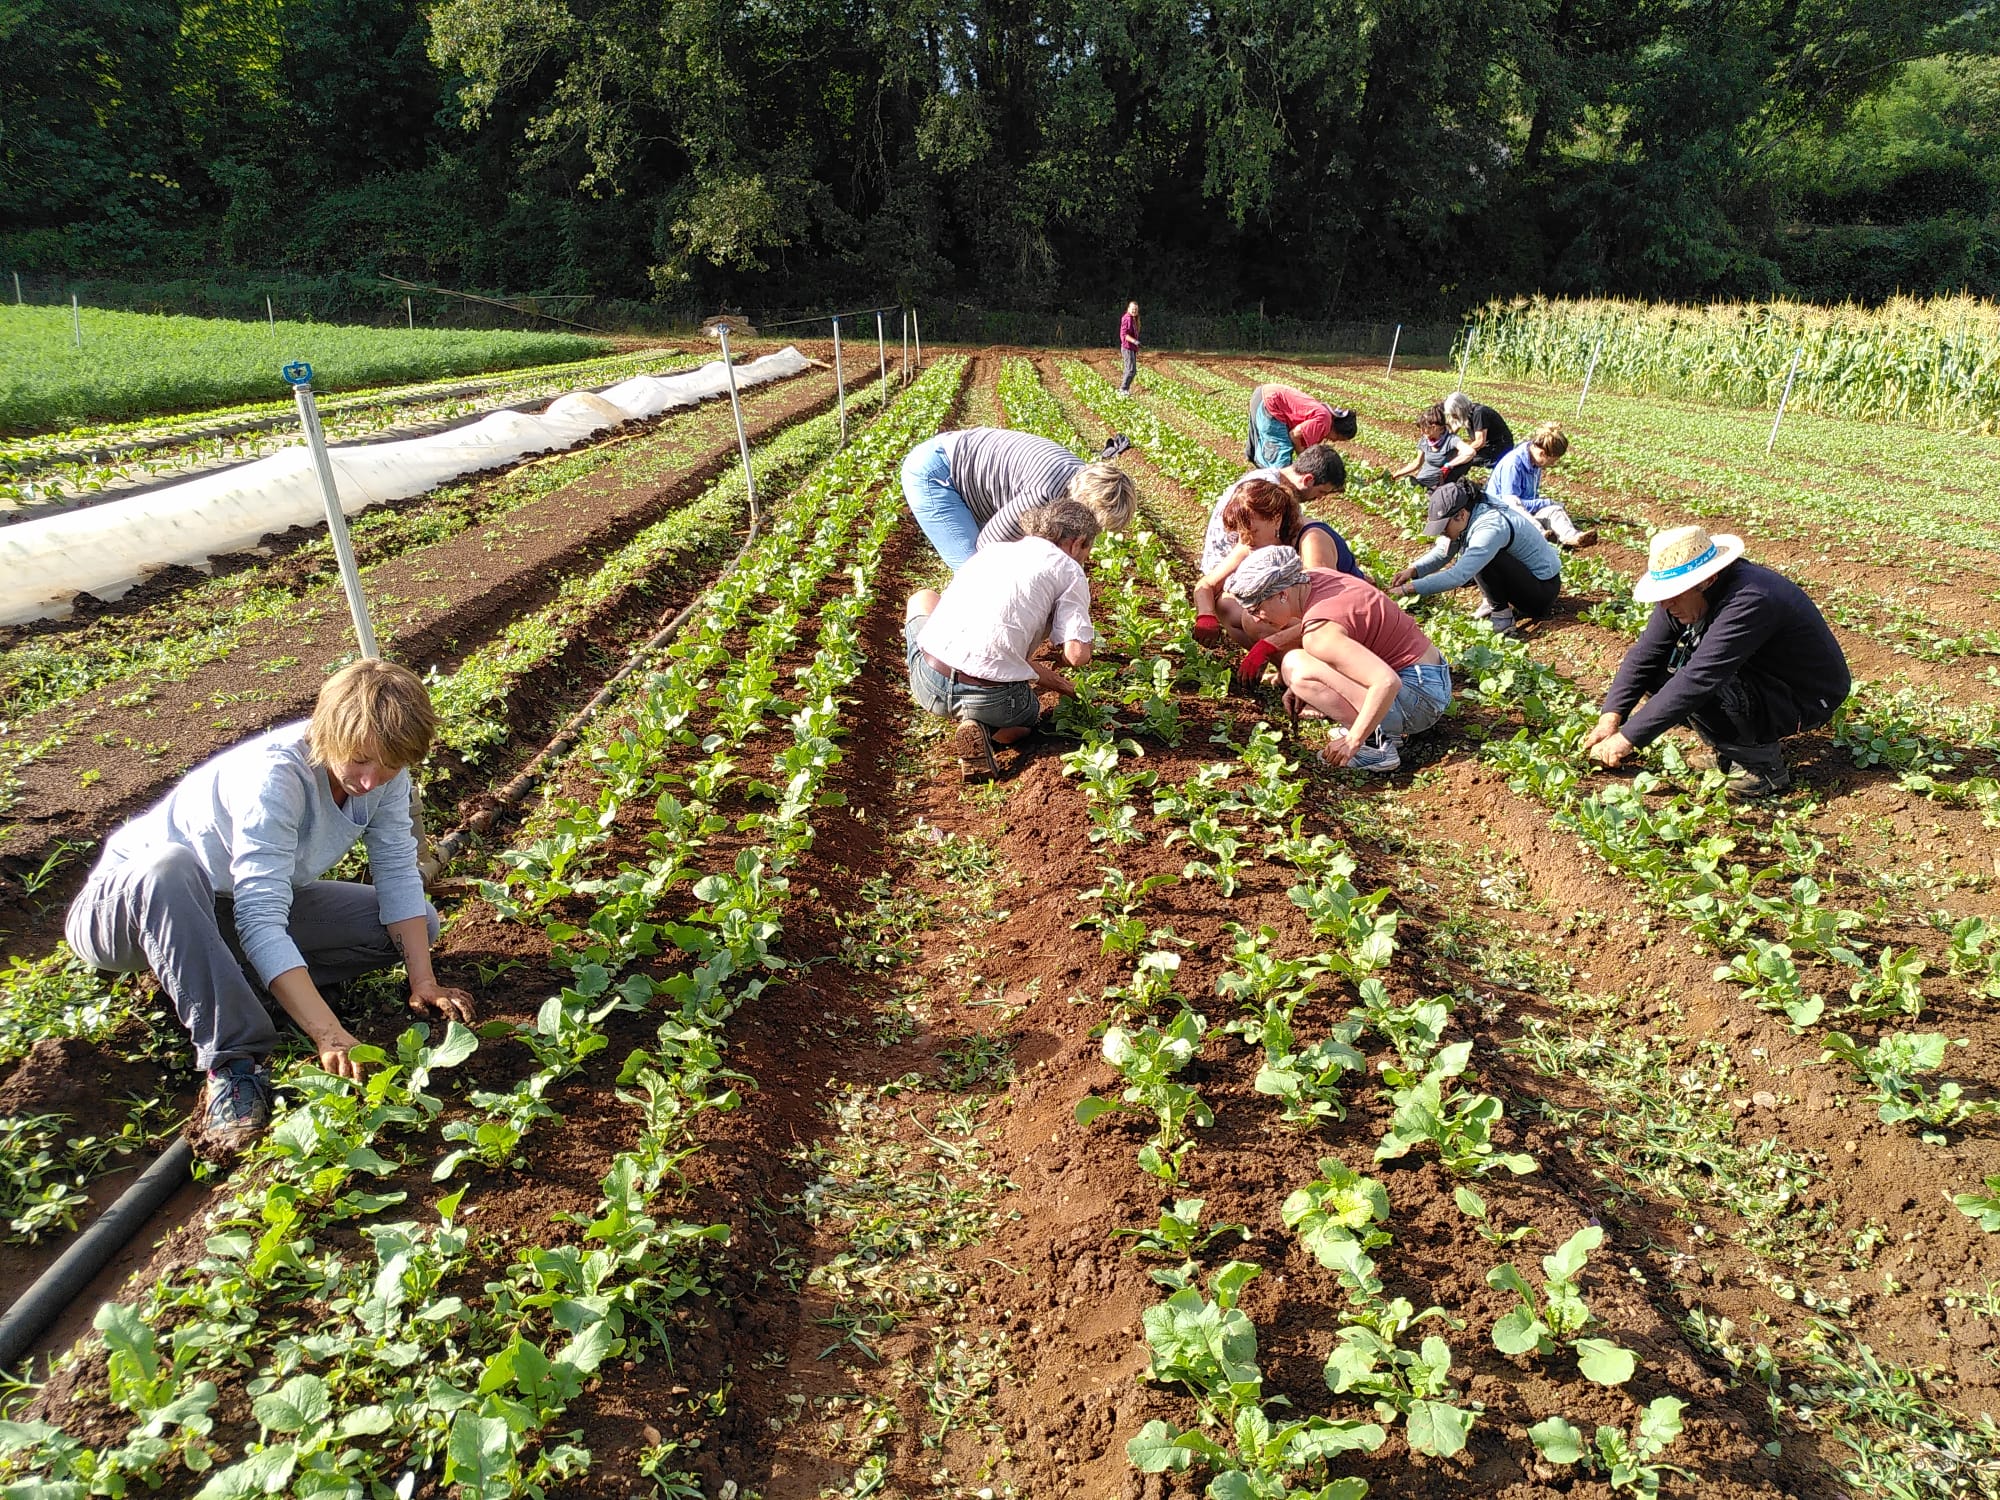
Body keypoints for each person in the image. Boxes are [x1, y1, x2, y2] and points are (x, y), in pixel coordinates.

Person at [64, 660, 473, 1153]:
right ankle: (233, 1064)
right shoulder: (275, 777)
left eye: (387, 765)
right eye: (361, 760)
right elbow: (261, 917)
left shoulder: (385, 776)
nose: (370, 780)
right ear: (329, 734)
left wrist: (423, 981)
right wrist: (328, 1033)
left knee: (416, 926)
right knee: (169, 866)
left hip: (224, 905)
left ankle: (220, 977)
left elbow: (398, 872)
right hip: (126, 910)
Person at [1583, 525, 1851, 797]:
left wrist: (1627, 739)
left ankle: (1761, 769)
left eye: (1673, 593)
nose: (1665, 605)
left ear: (1707, 580)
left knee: (1701, 687)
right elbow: (1645, 656)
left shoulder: (1751, 598)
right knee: (1660, 672)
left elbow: (1700, 678)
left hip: (1806, 696)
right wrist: (1610, 718)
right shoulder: (1684, 596)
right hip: (1762, 676)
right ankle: (1732, 750)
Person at [904, 500, 1100, 781]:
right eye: (1088, 549)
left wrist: (1052, 679)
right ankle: (985, 728)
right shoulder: (1068, 570)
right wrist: (1066, 675)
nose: (1086, 557)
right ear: (1078, 542)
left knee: (922, 598)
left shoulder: (993, 550)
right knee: (1026, 722)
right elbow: (1077, 654)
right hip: (994, 700)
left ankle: (962, 711)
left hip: (930, 683)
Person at [1224, 547, 1451, 773]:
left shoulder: (1319, 633)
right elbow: (1344, 632)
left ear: (1282, 595)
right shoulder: (1320, 578)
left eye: (1256, 608)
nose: (1256, 618)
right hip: (1431, 675)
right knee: (1309, 662)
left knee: (1295, 666)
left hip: (1418, 701)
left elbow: (1386, 682)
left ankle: (1374, 747)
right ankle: (1381, 728)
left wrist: (1354, 739)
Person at [901, 427, 1137, 569]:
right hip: (937, 473)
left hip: (962, 463)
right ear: (1082, 506)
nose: (1093, 531)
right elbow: (988, 545)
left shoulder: (1083, 481)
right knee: (975, 570)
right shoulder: (1043, 496)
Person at [1194, 465, 1363, 649]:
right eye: (1241, 531)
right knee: (1228, 605)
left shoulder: (1310, 540)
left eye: (1252, 530)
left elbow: (1324, 610)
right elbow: (1208, 584)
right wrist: (1206, 615)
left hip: (1348, 623)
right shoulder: (1252, 541)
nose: (1244, 539)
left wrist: (1271, 645)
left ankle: (1293, 667)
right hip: (1309, 619)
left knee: (1259, 618)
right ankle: (1278, 663)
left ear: (1276, 518)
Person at [1387, 480, 1563, 638]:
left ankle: (1502, 616)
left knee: (1484, 559)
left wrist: (1409, 589)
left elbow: (1457, 576)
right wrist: (1413, 570)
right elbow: (1443, 551)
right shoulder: (1473, 511)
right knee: (1477, 556)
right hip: (1528, 579)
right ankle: (1494, 601)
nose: (1442, 532)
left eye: (1443, 527)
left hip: (1541, 592)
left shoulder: (1490, 527)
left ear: (1461, 515)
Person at [1487, 421, 1595, 548]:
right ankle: (1540, 534)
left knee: (1555, 510)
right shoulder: (1513, 464)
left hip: (1524, 516)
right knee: (1513, 501)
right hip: (1499, 513)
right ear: (1542, 453)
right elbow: (1509, 504)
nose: (1553, 464)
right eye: (1552, 460)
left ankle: (1573, 537)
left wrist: (1548, 505)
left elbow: (1530, 501)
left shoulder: (1535, 463)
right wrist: (1546, 502)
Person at [1246, 383, 1359, 468]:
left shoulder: (1324, 413)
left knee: (1267, 449)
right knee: (1282, 460)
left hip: (1262, 394)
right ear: (1338, 430)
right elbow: (1294, 434)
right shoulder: (1325, 421)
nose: (1334, 441)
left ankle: (1260, 477)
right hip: (1270, 403)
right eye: (1339, 438)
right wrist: (1303, 457)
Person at [1386, 403, 1467, 489]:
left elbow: (1470, 452)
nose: (1422, 432)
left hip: (1436, 486)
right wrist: (1396, 474)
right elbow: (1416, 463)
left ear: (1434, 427)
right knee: (1406, 481)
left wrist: (1449, 465)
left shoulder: (1451, 440)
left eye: (1424, 428)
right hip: (1421, 481)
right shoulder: (1425, 441)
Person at [1442, 392, 1515, 470]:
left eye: (1454, 414)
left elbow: (1480, 442)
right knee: (1454, 456)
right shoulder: (1467, 413)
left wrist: (1464, 452)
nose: (1453, 417)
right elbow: (1453, 428)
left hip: (1498, 449)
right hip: (1487, 447)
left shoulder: (1479, 413)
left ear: (1460, 410)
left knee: (1462, 461)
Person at [1118, 302, 1142, 395]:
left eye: (1136, 309)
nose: (1134, 311)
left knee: (1131, 370)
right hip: (1127, 347)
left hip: (1131, 348)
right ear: (1128, 308)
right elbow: (1124, 335)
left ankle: (1125, 389)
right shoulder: (1127, 318)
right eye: (1132, 309)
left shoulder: (1133, 319)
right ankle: (1123, 389)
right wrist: (1135, 341)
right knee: (1131, 369)